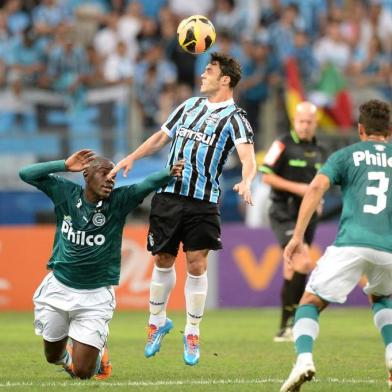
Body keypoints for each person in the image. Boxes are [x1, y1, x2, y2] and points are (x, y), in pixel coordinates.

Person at [110, 52, 256, 366]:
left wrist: (247, 181)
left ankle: (192, 331)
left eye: (209, 70)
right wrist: (132, 157)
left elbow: (248, 157)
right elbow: (161, 137)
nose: (203, 74)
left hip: (203, 201)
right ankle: (156, 321)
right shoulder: (189, 106)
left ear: (225, 79)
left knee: (196, 264)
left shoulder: (236, 118)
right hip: (168, 195)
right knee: (163, 259)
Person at [19, 149, 184, 380]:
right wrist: (64, 165)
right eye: (105, 173)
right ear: (86, 175)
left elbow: (145, 184)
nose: (110, 179)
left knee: (85, 373)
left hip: (95, 296)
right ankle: (67, 357)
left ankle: (97, 353)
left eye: (114, 176)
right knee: (52, 356)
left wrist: (168, 173)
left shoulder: (118, 202)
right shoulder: (65, 192)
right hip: (59, 288)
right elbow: (25, 174)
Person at [280, 99, 392, 392]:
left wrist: (297, 236)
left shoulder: (347, 155)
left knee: (310, 303)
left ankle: (303, 360)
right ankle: (391, 351)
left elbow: (317, 187)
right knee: (382, 298)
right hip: (389, 249)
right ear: (389, 131)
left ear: (360, 130)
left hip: (352, 243)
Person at [260, 101, 325, 342]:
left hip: (308, 216)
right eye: (301, 121)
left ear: (315, 123)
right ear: (294, 121)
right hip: (283, 212)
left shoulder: (321, 150)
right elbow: (265, 176)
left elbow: (321, 183)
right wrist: (299, 189)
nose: (305, 126)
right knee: (303, 262)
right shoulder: (282, 144)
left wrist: (319, 198)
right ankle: (296, 321)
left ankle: (283, 328)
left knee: (291, 269)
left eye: (309, 122)